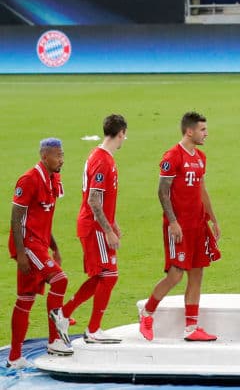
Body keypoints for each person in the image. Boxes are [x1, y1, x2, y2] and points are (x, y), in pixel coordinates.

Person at [139, 112, 220, 343]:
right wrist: (173, 222)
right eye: (203, 130)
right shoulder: (172, 156)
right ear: (189, 131)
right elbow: (162, 192)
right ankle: (148, 312)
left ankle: (191, 328)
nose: (206, 134)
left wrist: (213, 219)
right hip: (179, 227)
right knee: (176, 274)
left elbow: (202, 191)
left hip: (198, 225)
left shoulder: (201, 157)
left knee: (197, 274)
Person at [59, 114, 128, 344]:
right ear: (120, 134)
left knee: (101, 276)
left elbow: (103, 199)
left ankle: (63, 314)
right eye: (124, 136)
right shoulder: (102, 160)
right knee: (110, 275)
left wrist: (113, 222)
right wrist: (108, 230)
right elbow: (94, 200)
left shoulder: (101, 157)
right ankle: (93, 329)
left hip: (97, 224)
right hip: (94, 227)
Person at [7, 137, 73, 367]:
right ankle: (55, 339)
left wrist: (54, 246)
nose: (61, 160)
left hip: (40, 244)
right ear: (44, 156)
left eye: (63, 155)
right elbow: (16, 217)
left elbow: (44, 216)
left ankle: (14, 357)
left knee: (25, 299)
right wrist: (22, 253)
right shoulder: (29, 180)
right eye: (58, 155)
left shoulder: (54, 179)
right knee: (60, 280)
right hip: (28, 244)